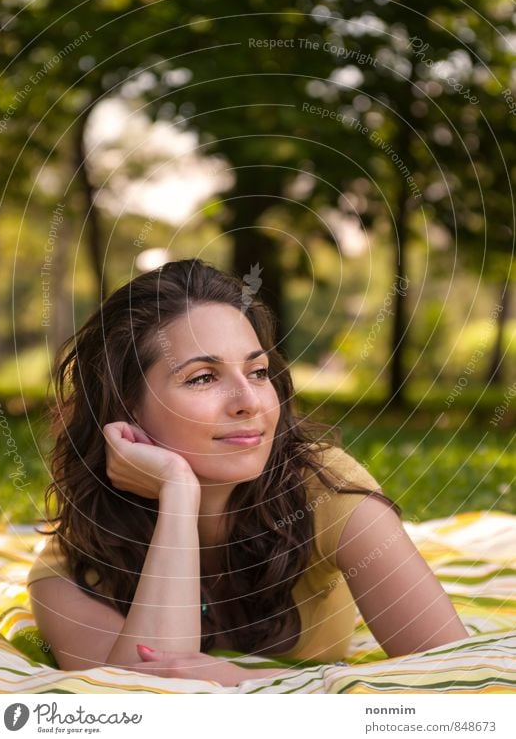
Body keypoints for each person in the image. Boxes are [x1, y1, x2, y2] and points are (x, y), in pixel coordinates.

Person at [27, 258, 467, 685]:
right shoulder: (72, 567)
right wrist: (177, 495)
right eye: (203, 377)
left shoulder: (327, 491)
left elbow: (454, 681)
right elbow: (139, 705)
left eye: (258, 371)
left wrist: (245, 680)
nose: (250, 401)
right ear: (125, 408)